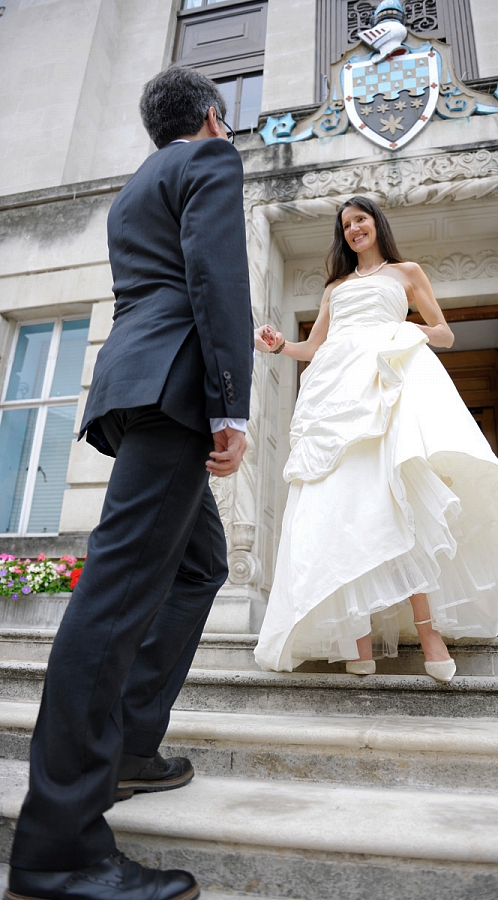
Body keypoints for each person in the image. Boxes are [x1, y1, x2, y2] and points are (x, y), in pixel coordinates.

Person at [6, 67, 253, 900]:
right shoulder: (212, 162)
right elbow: (216, 279)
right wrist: (232, 407)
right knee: (111, 596)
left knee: (197, 566)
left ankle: (130, 747)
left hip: (136, 381)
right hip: (178, 390)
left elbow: (152, 290)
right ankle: (59, 848)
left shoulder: (134, 187)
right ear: (213, 118)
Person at [254, 197, 498, 679]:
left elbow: (444, 334)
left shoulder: (407, 272)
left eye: (361, 220)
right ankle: (358, 643)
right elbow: (313, 347)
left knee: (398, 500)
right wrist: (278, 346)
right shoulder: (335, 287)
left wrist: (397, 329)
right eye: (346, 225)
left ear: (376, 224)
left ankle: (429, 634)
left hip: (387, 380)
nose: (354, 229)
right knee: (345, 505)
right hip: (335, 392)